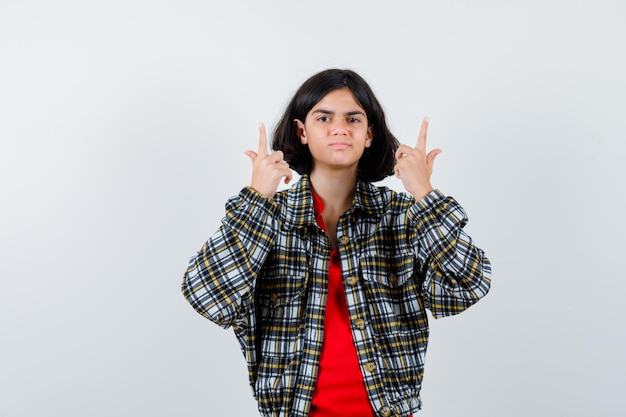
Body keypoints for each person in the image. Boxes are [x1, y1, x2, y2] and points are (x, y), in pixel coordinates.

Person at [181, 69, 492, 417]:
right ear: (302, 132)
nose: (340, 128)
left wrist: (424, 193)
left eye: (353, 118)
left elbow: (466, 287)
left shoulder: (401, 217)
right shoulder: (268, 220)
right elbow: (207, 296)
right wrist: (257, 198)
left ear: (369, 134)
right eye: (324, 117)